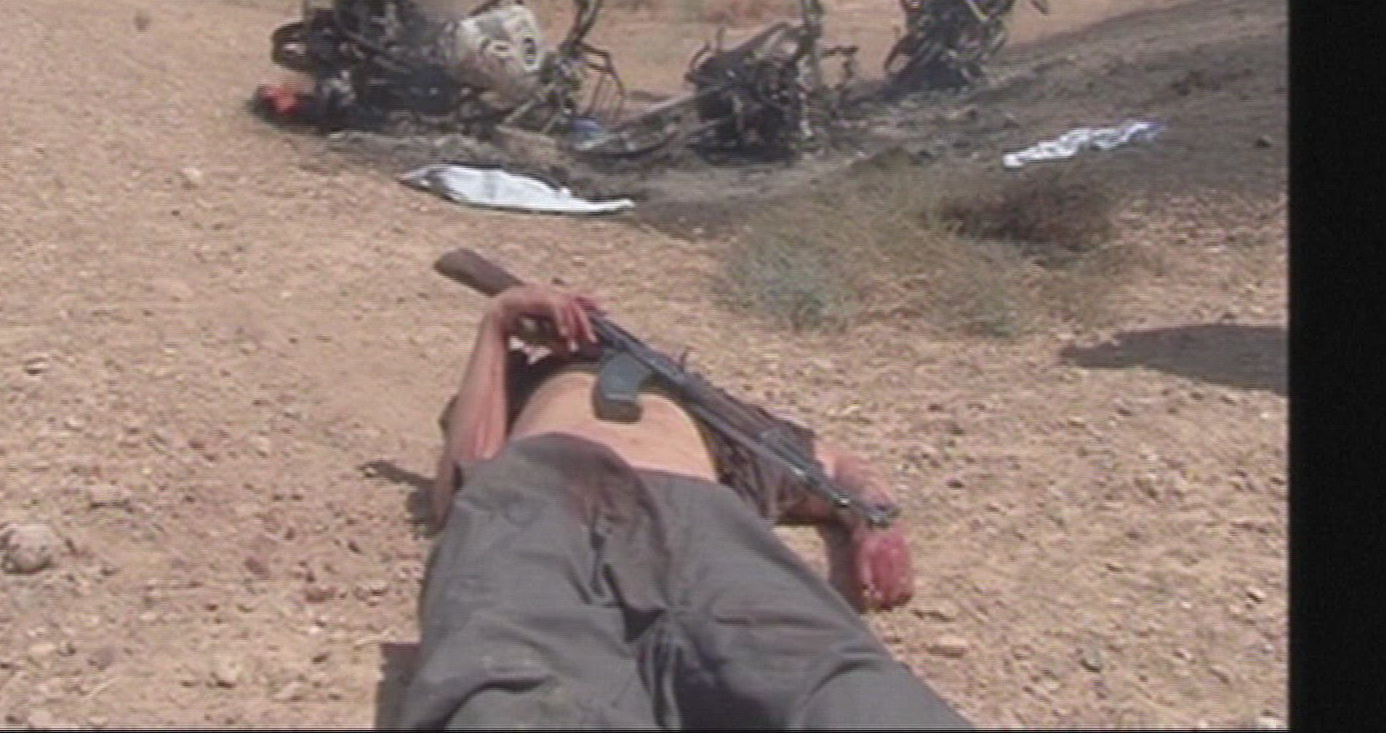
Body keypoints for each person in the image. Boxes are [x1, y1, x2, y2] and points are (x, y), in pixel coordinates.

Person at [393, 283, 972, 730]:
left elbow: (841, 469)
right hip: (541, 493)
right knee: (511, 681)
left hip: (700, 520)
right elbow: (465, 481)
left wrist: (874, 521)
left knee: (833, 678)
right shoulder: (529, 379)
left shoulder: (729, 420)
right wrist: (497, 324)